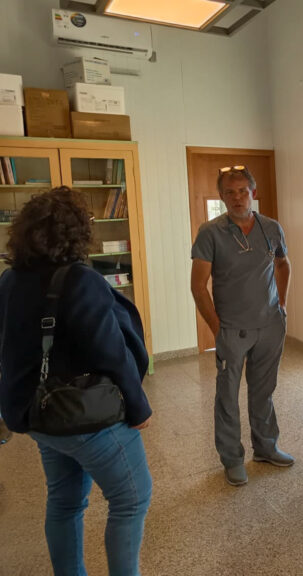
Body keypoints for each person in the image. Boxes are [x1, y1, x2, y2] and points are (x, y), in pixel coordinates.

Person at [0, 186, 152, 574]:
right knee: (132, 499)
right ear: (77, 232)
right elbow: (111, 353)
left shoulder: (10, 280)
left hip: (39, 414)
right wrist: (139, 407)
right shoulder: (81, 280)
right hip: (83, 415)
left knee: (64, 501)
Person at [191, 165, 293, 487]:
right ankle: (232, 459)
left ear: (253, 193)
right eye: (230, 193)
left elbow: (283, 264)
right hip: (232, 330)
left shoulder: (271, 228)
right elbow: (198, 287)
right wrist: (217, 328)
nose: (237, 198)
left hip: (270, 327)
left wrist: (281, 305)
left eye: (243, 191)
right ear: (221, 197)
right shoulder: (210, 232)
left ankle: (266, 447)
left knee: (264, 391)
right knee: (227, 397)